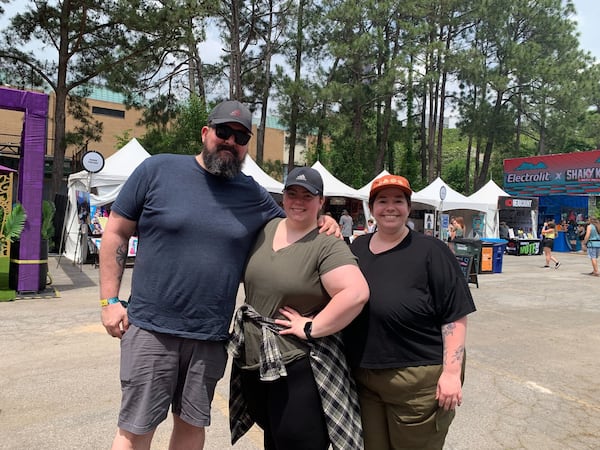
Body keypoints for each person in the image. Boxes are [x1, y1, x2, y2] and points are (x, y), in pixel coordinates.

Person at [99, 100, 339, 450]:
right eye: (223, 131)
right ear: (205, 132)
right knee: (135, 429)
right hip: (151, 328)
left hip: (209, 336)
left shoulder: (252, 194)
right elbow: (116, 233)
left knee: (192, 426)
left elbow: (291, 223)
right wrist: (109, 300)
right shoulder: (157, 170)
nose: (230, 141)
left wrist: (322, 220)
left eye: (240, 137)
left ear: (246, 146)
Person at [228, 167, 369, 450]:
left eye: (308, 196)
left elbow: (356, 292)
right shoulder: (266, 229)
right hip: (255, 360)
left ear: (321, 202)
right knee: (273, 437)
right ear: (283, 197)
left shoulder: (326, 243)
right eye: (292, 193)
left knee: (295, 442)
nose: (299, 201)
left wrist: (311, 327)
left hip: (297, 366)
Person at [344, 174, 477, 450]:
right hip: (366, 380)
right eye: (382, 201)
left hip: (417, 383)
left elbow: (454, 314)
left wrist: (452, 373)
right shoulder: (356, 249)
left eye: (398, 201)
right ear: (372, 207)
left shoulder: (432, 251)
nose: (390, 207)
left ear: (408, 207)